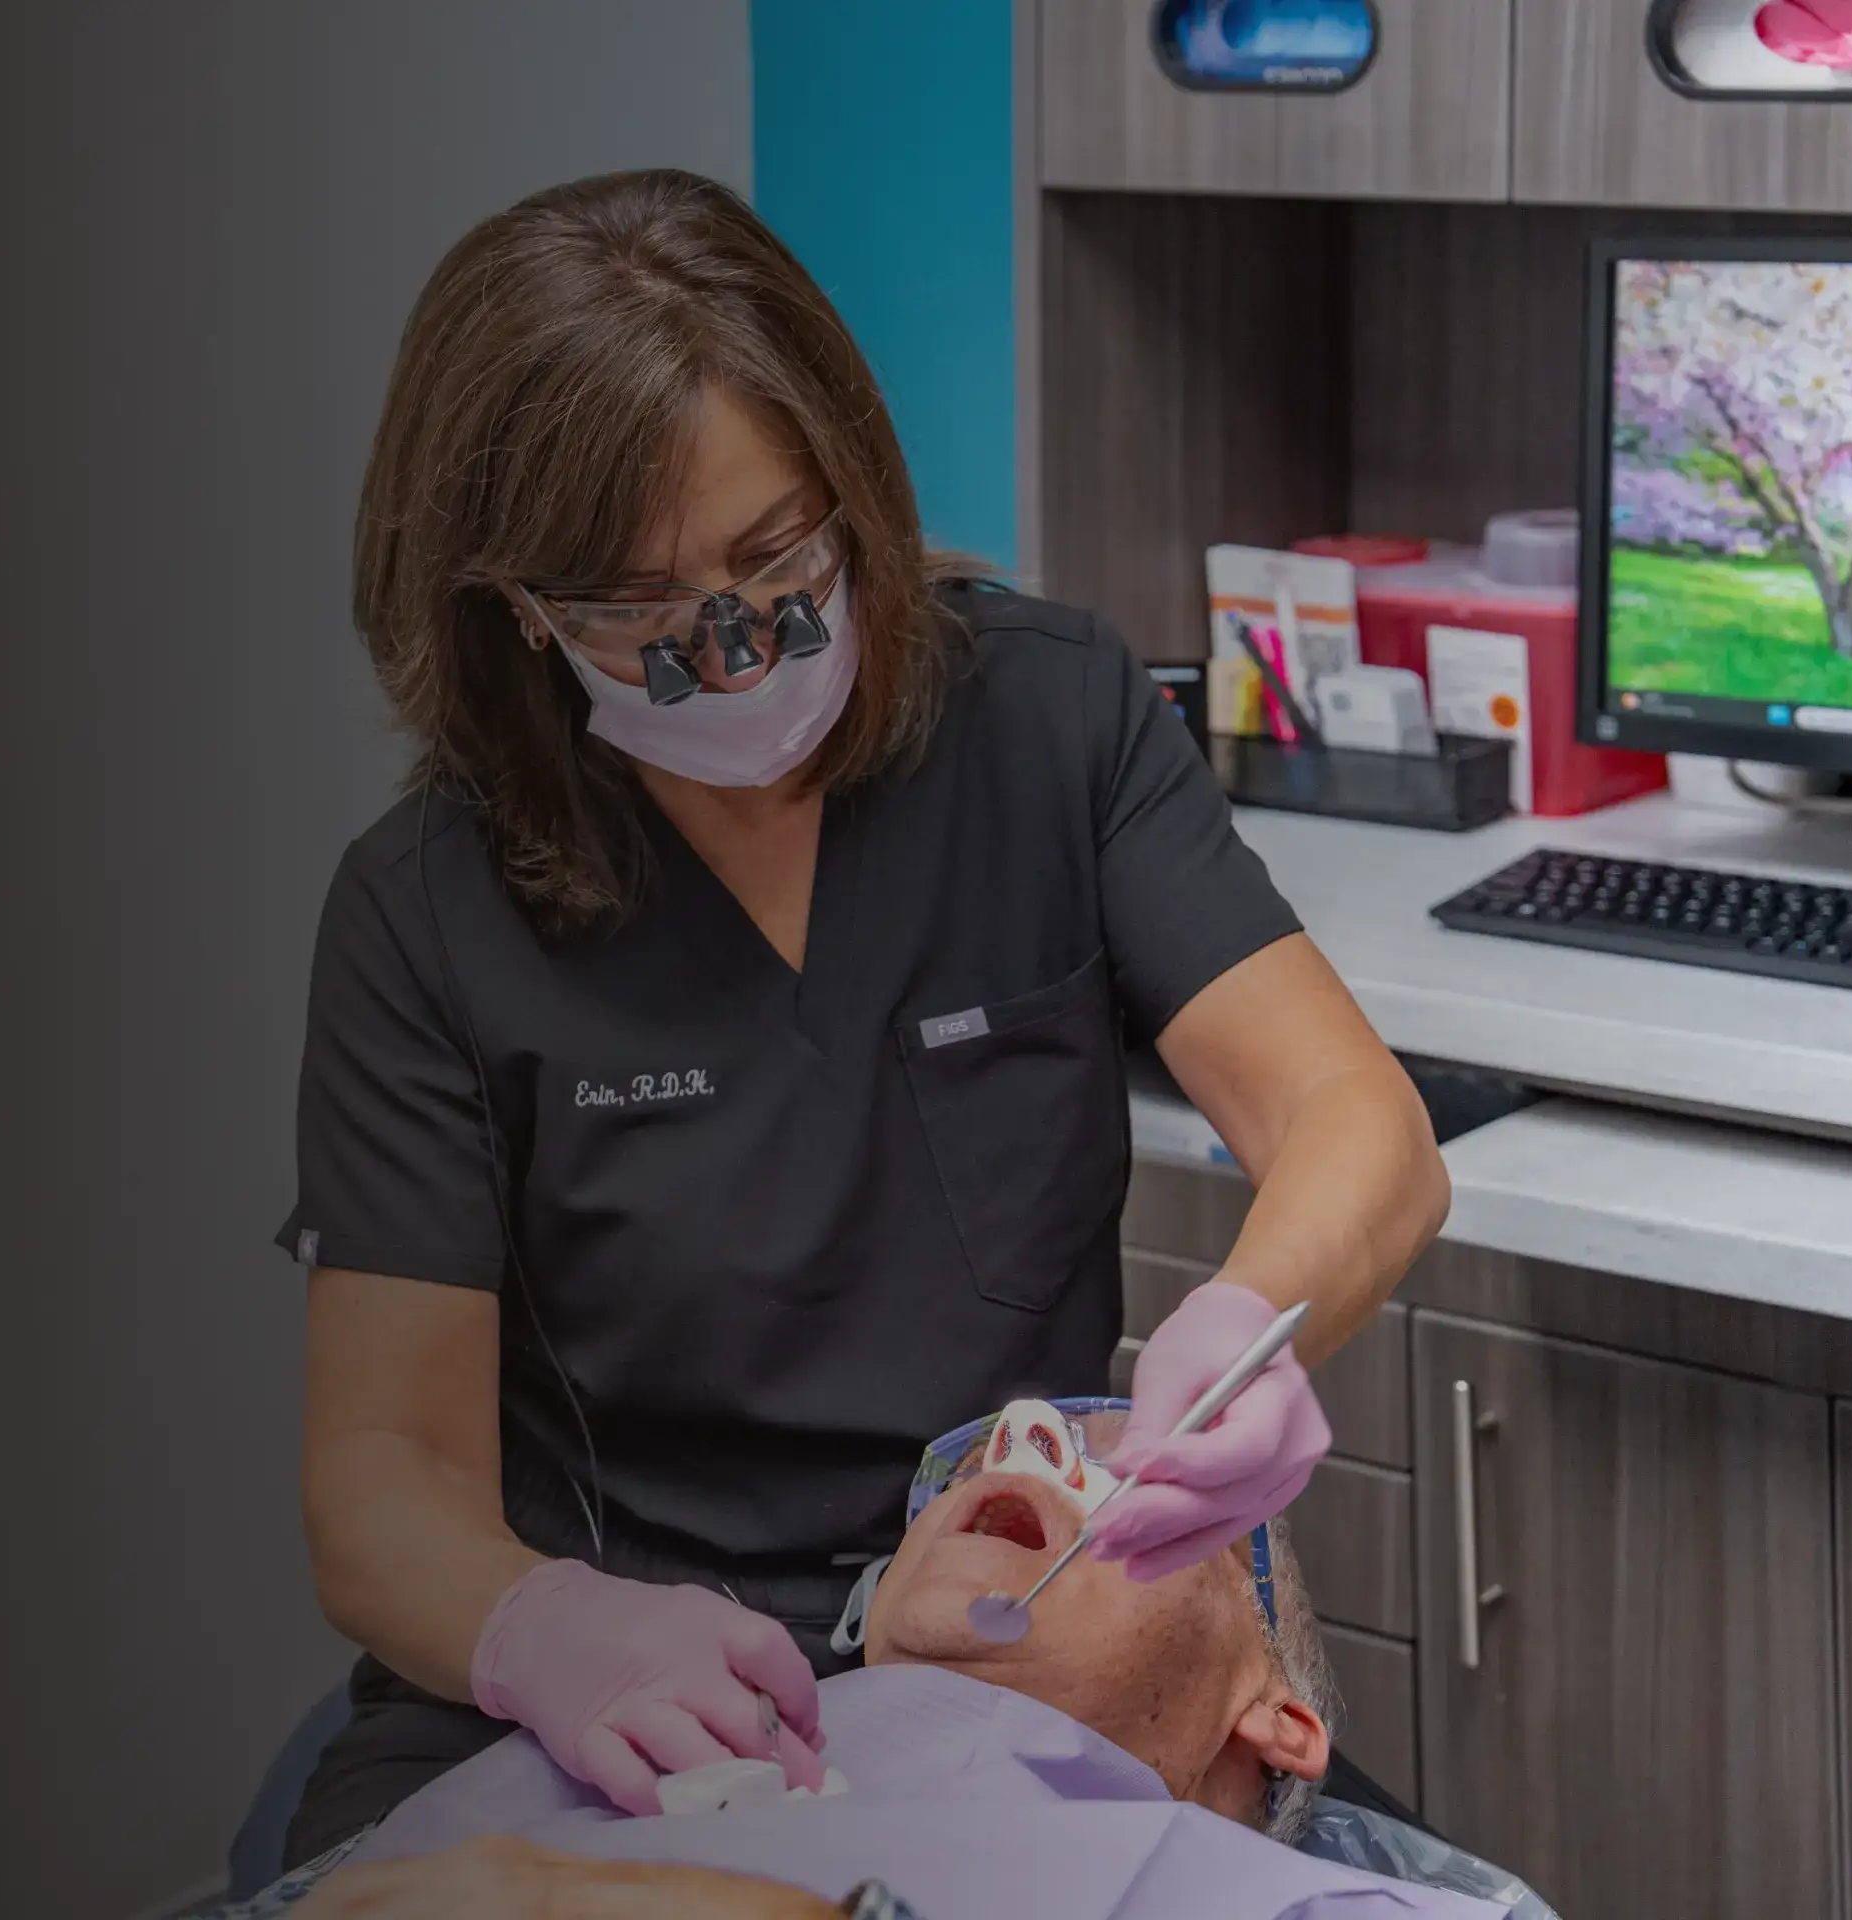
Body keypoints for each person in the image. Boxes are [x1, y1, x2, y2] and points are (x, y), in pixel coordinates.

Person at [280, 167, 1451, 1863]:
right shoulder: (428, 912)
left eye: (775, 565)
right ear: (518, 608)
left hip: (1022, 1648)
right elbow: (381, 1479)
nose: (740, 661)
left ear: (851, 481)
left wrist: (1257, 1318)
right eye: (647, 616)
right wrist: (547, 1631)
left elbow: (1363, 1132)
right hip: (628, 1693)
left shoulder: (1046, 725)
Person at [220, 1402, 1555, 1919]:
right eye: (965, 1474)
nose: (1024, 1439)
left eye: (1138, 1477)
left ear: (1278, 1723)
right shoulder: (616, 1755)